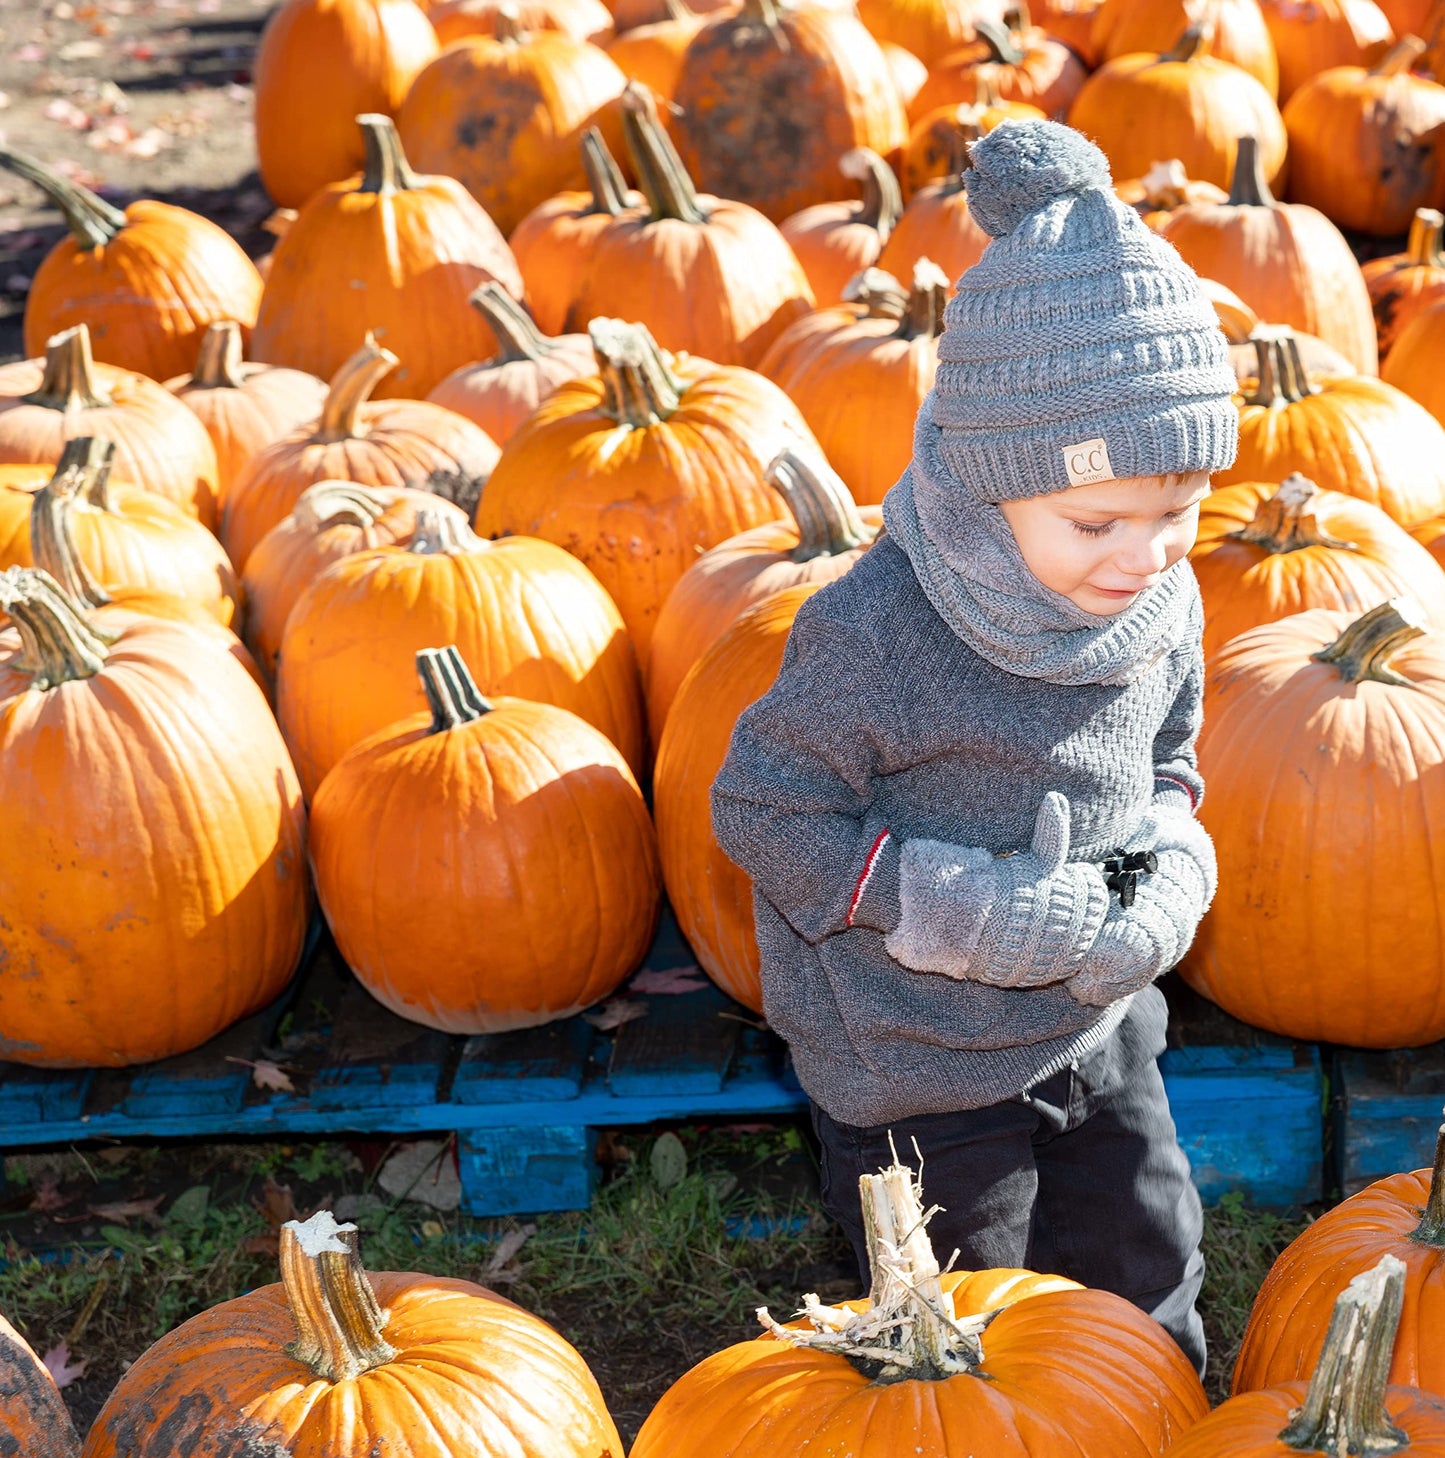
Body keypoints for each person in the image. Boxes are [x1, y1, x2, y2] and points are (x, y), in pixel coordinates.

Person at [709, 118, 1237, 1378]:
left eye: (1177, 511)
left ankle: (1154, 1397)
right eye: (1097, 518)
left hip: (1097, 1020)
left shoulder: (1158, 596)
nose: (1142, 553)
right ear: (989, 485)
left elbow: (1171, 753)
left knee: (1145, 1266)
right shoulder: (875, 630)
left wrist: (1168, 859)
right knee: (969, 1333)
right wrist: (947, 906)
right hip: (915, 1068)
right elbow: (763, 810)